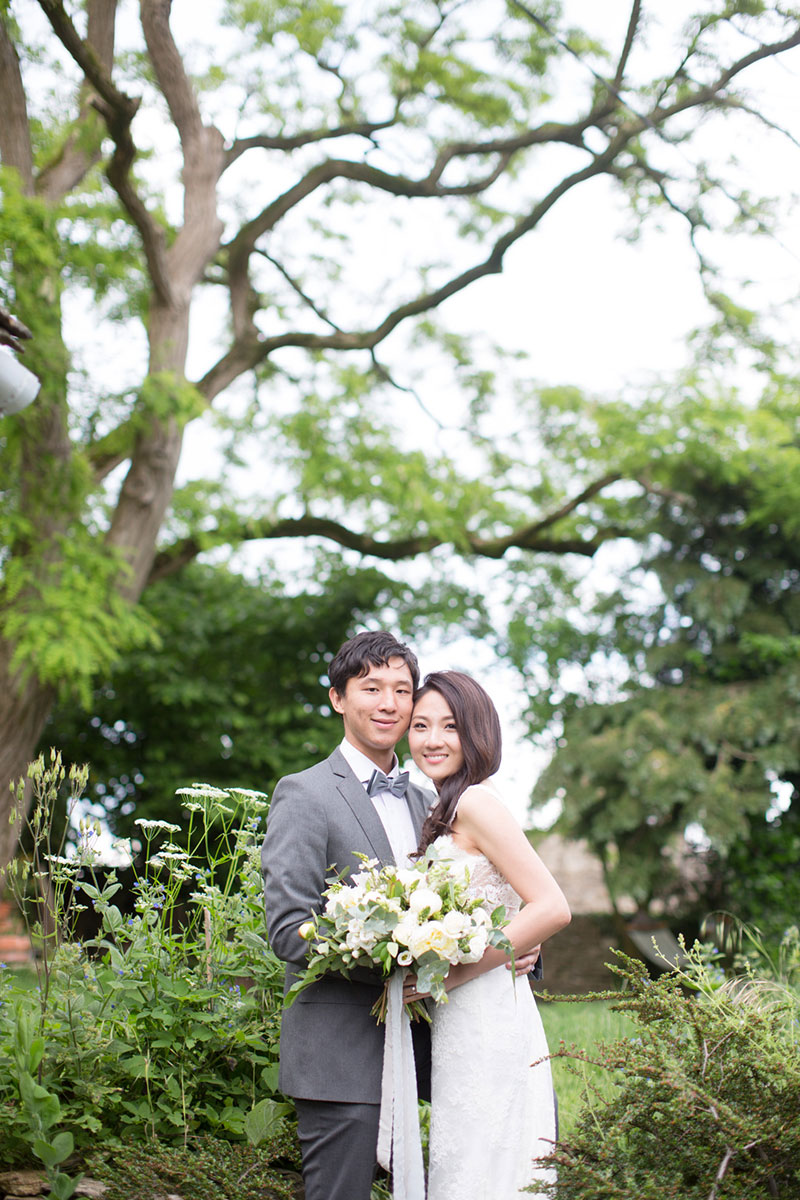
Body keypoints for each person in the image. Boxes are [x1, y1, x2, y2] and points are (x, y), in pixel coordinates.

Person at [262, 632, 542, 1200]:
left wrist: (515, 947)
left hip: (431, 1051)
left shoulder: (431, 801)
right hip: (340, 1056)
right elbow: (289, 929)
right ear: (339, 698)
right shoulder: (304, 794)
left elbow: (483, 900)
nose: (388, 703)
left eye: (401, 689)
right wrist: (391, 963)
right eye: (371, 688)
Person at [403, 670, 571, 1200]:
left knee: (488, 1163)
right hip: (462, 1021)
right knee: (467, 1161)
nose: (433, 740)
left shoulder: (475, 802)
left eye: (449, 726)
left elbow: (552, 906)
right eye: (421, 725)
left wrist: (449, 976)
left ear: (476, 732)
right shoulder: (442, 808)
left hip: (489, 1015)